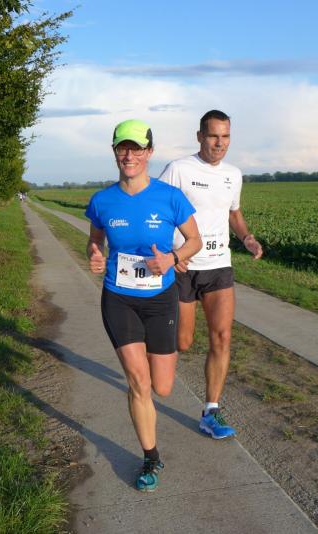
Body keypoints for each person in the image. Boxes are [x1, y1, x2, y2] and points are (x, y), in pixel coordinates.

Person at [85, 119, 202, 492]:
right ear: (114, 151)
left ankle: (151, 401)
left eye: (136, 148)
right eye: (123, 147)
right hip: (119, 297)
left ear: (149, 152)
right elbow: (95, 241)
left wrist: (172, 258)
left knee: (162, 387)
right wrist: (95, 255)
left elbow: (194, 241)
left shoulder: (170, 197)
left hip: (160, 299)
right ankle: (150, 457)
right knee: (138, 382)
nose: (129, 155)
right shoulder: (102, 200)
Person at [159, 110, 263, 440]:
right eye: (214, 136)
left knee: (222, 337)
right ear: (200, 136)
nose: (220, 143)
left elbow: (234, 212)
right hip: (184, 267)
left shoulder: (233, 174)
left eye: (226, 136)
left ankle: (211, 411)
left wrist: (246, 237)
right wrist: (171, 253)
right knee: (183, 341)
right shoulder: (179, 169)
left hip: (218, 266)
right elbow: (156, 211)